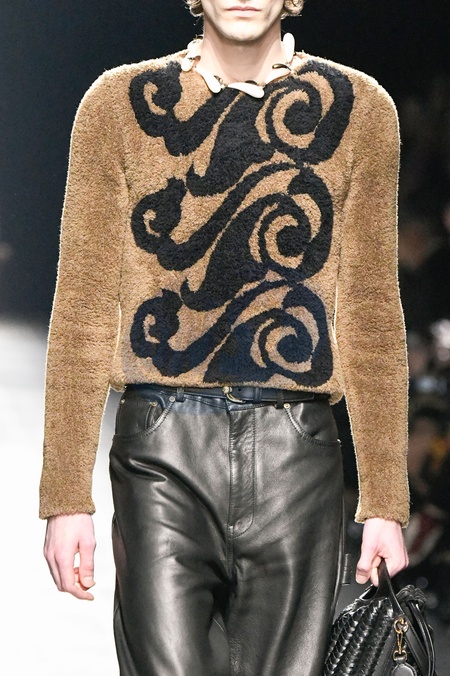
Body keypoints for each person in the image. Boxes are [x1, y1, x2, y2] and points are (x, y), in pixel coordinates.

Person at [40, 1, 410, 674]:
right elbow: (83, 310)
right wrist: (65, 497)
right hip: (162, 454)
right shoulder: (117, 107)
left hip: (297, 461)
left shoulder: (360, 111)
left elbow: (371, 316)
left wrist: (385, 501)